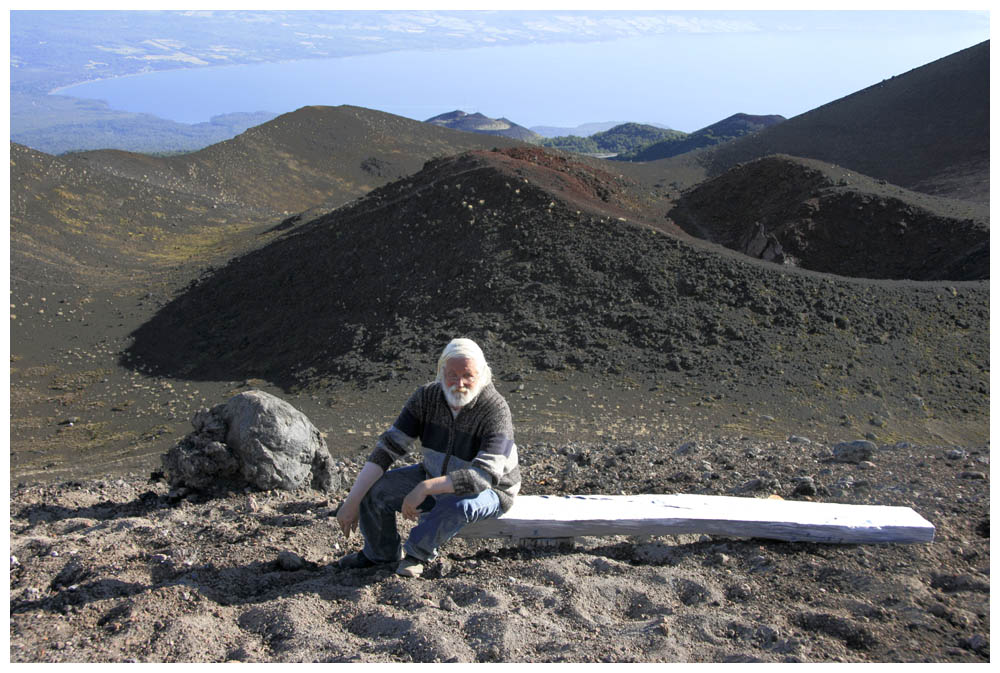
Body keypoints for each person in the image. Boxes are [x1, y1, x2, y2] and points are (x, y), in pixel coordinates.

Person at [335, 338, 520, 578]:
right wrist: (352, 502)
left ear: (483, 375)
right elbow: (388, 448)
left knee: (458, 505)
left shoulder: (495, 409)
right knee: (374, 490)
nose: (460, 383)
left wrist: (425, 488)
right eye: (452, 375)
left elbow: (483, 476)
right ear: (440, 372)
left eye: (468, 375)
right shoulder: (426, 397)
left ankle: (416, 554)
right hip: (434, 475)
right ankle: (379, 554)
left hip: (493, 490)